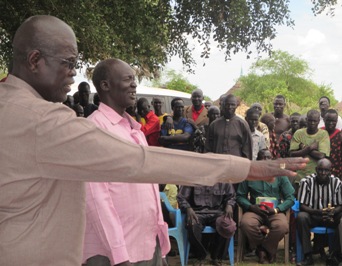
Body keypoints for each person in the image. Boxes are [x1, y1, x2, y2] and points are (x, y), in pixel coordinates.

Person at [0, 14, 308, 265]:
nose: (73, 74)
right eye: (68, 63)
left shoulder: (11, 106)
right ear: (35, 59)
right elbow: (139, 164)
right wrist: (246, 168)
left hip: (143, 242)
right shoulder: (41, 120)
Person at [83, 58, 168, 266]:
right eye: (128, 79)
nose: (134, 84)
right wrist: (119, 256)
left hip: (147, 244)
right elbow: (96, 199)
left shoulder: (134, 130)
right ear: (105, 85)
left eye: (134, 79)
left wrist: (161, 249)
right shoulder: (94, 129)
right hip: (114, 254)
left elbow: (149, 186)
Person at [237, 151, 295, 264]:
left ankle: (264, 250)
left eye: (268, 157)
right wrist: (250, 207)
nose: (266, 160)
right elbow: (240, 196)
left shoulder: (280, 174)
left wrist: (277, 209)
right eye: (262, 158)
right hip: (255, 211)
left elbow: (291, 198)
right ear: (258, 160)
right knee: (246, 223)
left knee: (282, 226)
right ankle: (265, 250)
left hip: (275, 211)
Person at [296, 158, 342, 265]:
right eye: (320, 170)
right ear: (316, 169)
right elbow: (302, 206)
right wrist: (318, 212)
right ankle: (308, 256)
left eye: (326, 170)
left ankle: (335, 255)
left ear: (330, 171)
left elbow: (340, 205)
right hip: (313, 216)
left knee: (341, 217)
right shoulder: (306, 182)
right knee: (302, 217)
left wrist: (333, 211)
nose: (323, 173)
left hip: (330, 216)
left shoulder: (337, 183)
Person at [177, 183, 236, 266]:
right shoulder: (191, 178)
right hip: (196, 213)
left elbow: (232, 196)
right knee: (192, 225)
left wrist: (229, 205)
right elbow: (181, 197)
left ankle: (216, 257)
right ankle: (200, 256)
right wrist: (188, 208)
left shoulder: (223, 178)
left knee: (229, 226)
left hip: (217, 213)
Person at [290, 109, 330, 190]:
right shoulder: (299, 133)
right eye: (310, 120)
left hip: (316, 177)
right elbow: (292, 154)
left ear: (319, 121)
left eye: (315, 121)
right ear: (306, 120)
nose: (312, 123)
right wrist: (310, 147)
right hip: (299, 177)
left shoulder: (323, 134)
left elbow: (321, 155)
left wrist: (303, 147)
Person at [205, 94, 252, 161]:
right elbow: (208, 147)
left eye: (233, 105)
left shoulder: (243, 124)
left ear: (236, 106)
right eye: (227, 104)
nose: (230, 107)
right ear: (223, 105)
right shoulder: (214, 125)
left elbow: (247, 149)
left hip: (236, 164)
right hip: (217, 163)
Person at [322, 109, 342, 178]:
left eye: (333, 121)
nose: (331, 123)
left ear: (336, 121)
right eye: (328, 120)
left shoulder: (340, 135)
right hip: (319, 170)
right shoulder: (319, 133)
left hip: (336, 171)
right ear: (324, 120)